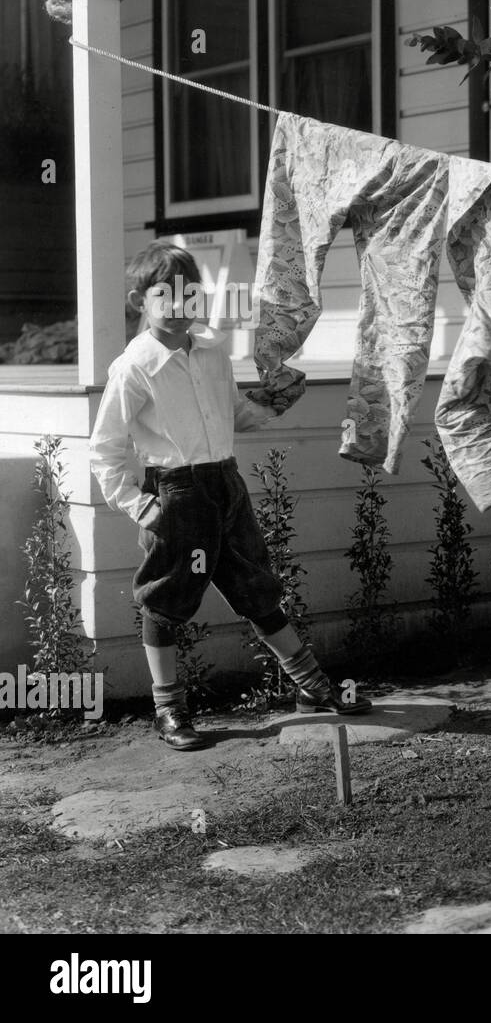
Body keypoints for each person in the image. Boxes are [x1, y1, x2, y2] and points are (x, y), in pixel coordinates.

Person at [89, 242, 371, 751]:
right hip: (175, 493)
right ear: (139, 300)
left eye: (188, 294)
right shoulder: (134, 368)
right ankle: (169, 709)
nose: (177, 306)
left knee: (256, 587)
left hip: (225, 486)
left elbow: (229, 416)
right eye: (163, 295)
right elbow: (105, 449)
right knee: (165, 599)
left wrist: (270, 404)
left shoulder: (213, 351)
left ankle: (311, 686)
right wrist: (141, 506)